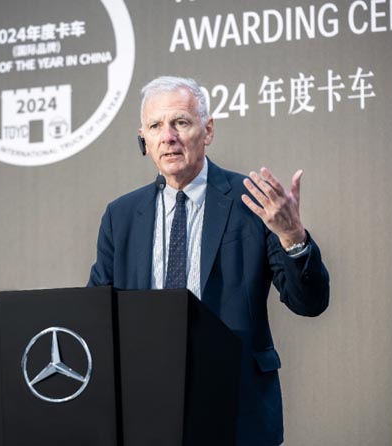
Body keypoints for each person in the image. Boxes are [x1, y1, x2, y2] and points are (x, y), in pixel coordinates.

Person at [88, 76, 329, 446]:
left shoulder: (253, 203)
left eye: (180, 122)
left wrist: (292, 237)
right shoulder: (120, 216)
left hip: (236, 404)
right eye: (155, 126)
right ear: (144, 139)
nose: (168, 137)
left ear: (208, 130)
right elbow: (95, 315)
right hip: (146, 409)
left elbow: (309, 303)